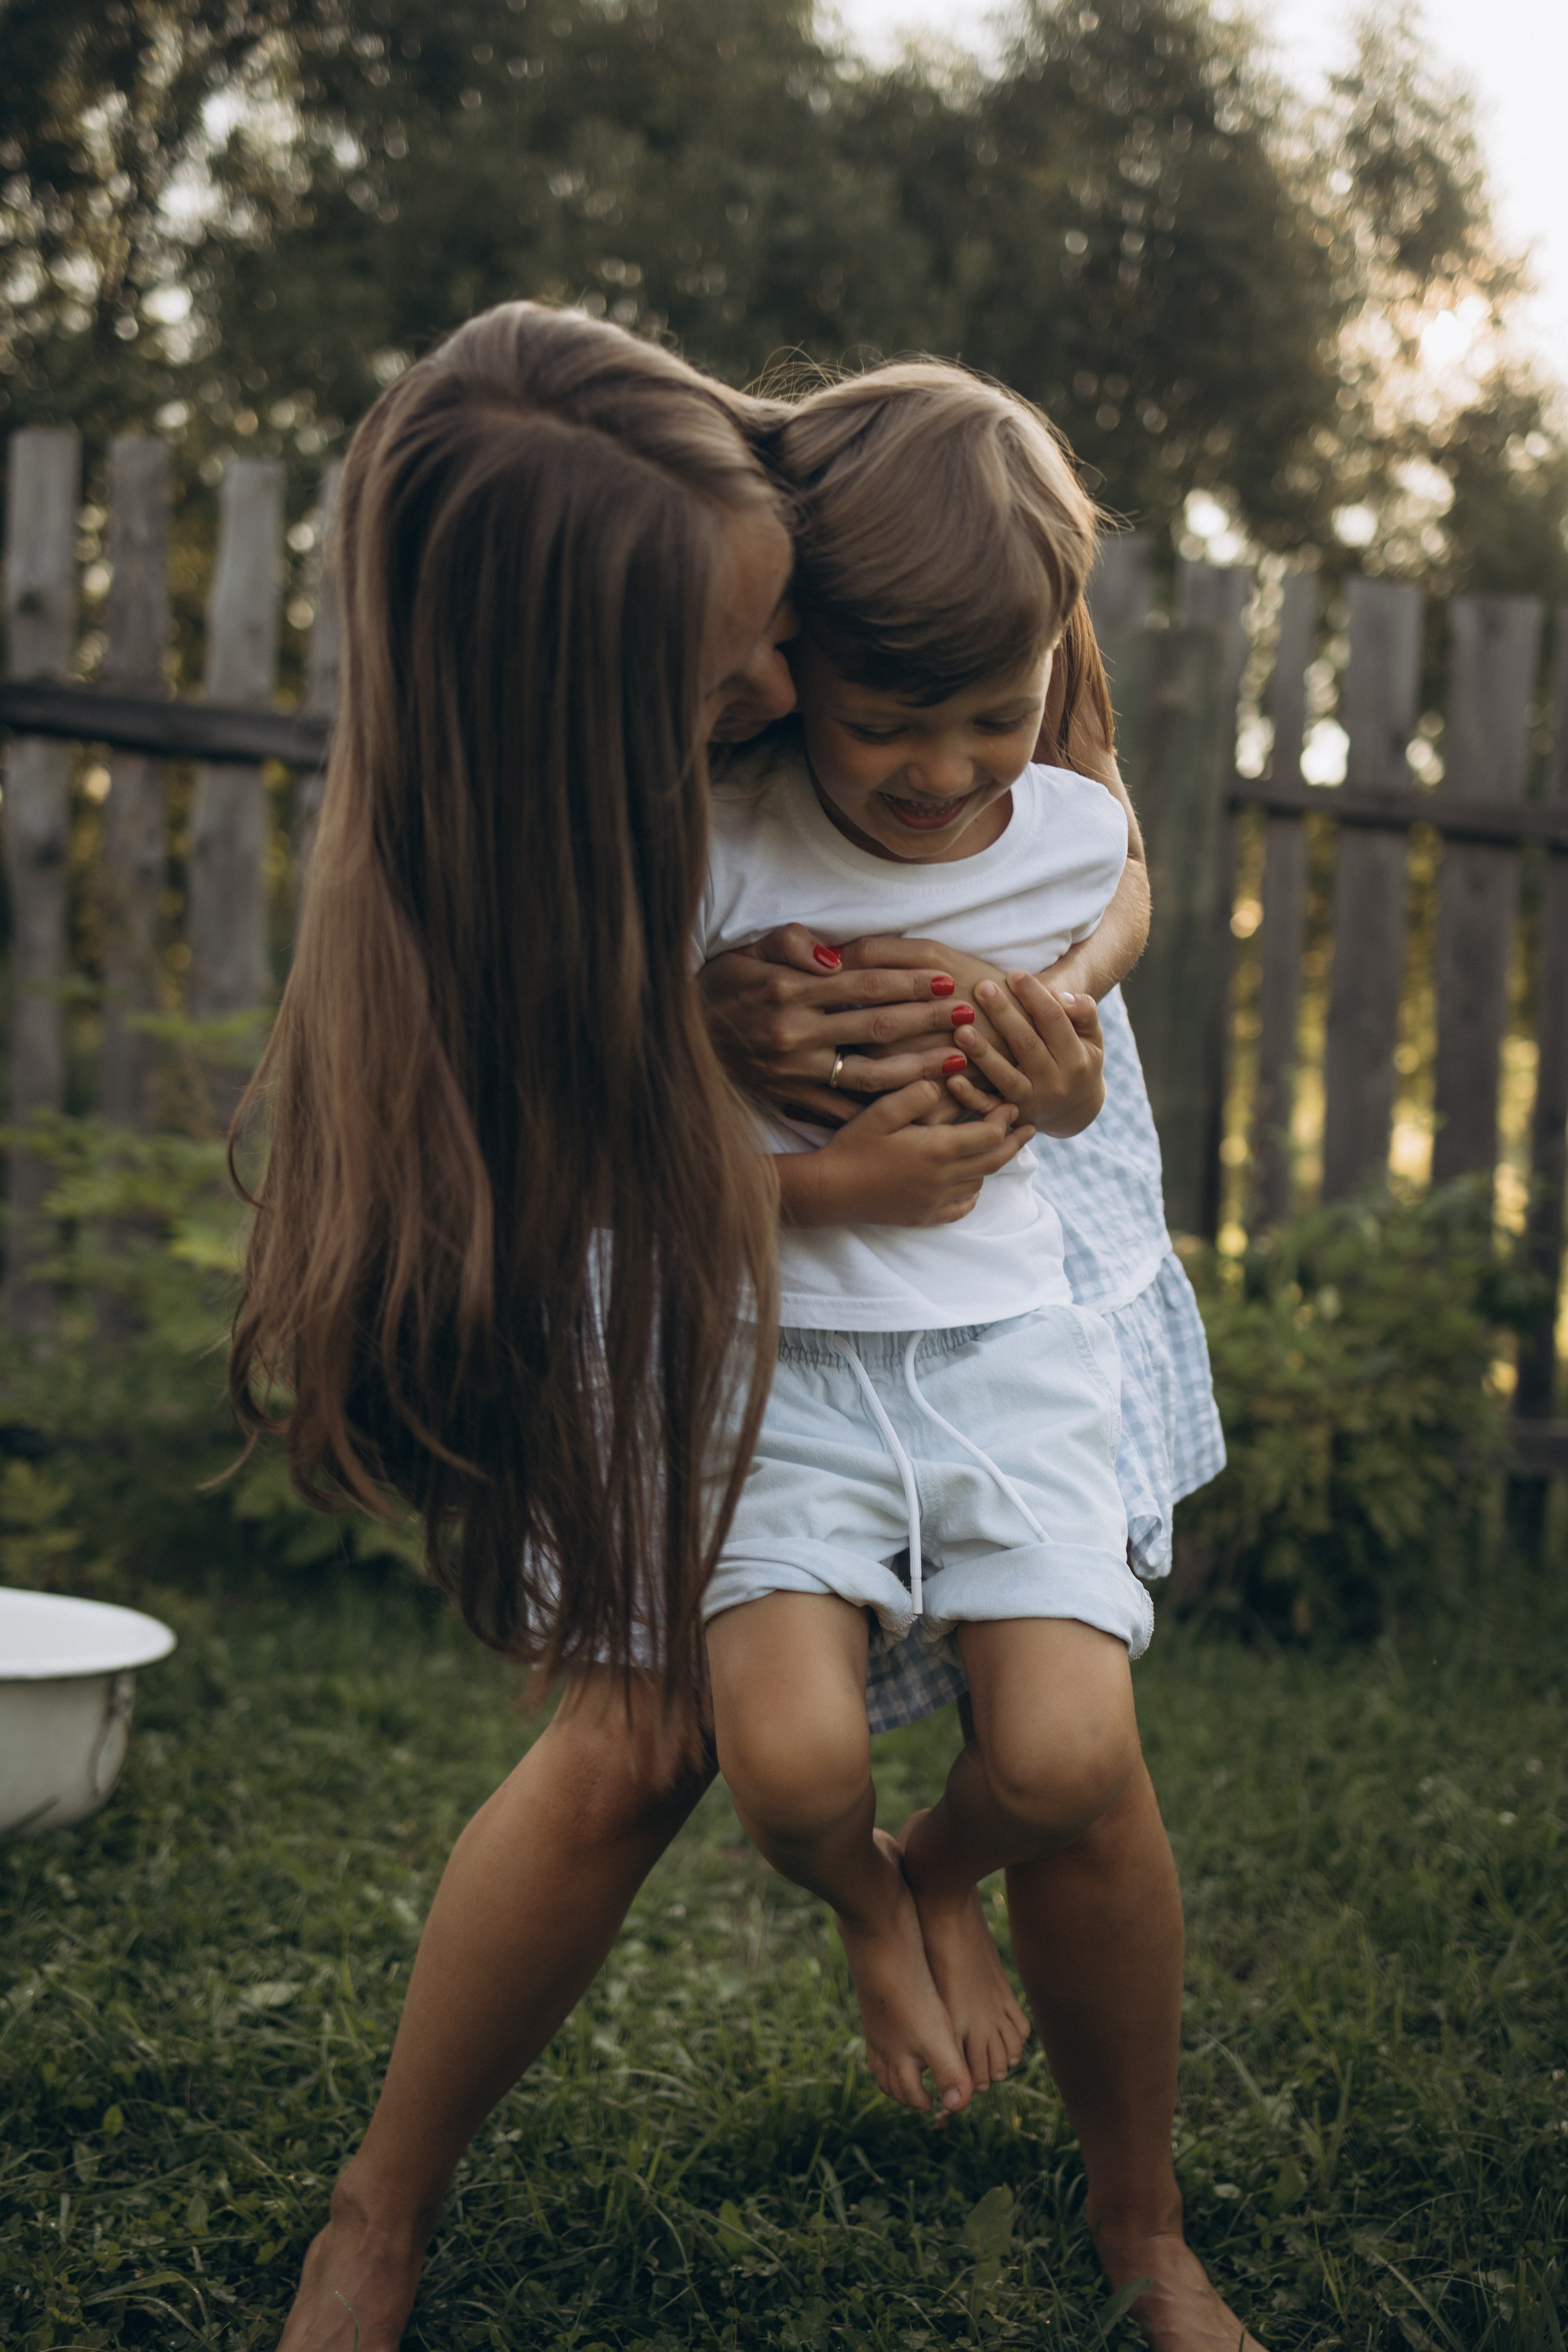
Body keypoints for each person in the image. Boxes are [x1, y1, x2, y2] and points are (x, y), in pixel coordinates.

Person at [267, 320, 1246, 2352]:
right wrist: (686, 1059)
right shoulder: (547, 819)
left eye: (788, 643)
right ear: (608, 703)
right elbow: (528, 1136)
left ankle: (1139, 2223)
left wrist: (1078, 983)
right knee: (637, 1740)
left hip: (991, 1251)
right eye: (741, 680)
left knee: (1069, 1749)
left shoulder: (872, 517)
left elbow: (1082, 801)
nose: (789, 699)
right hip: (707, 1239)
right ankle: (378, 2218)